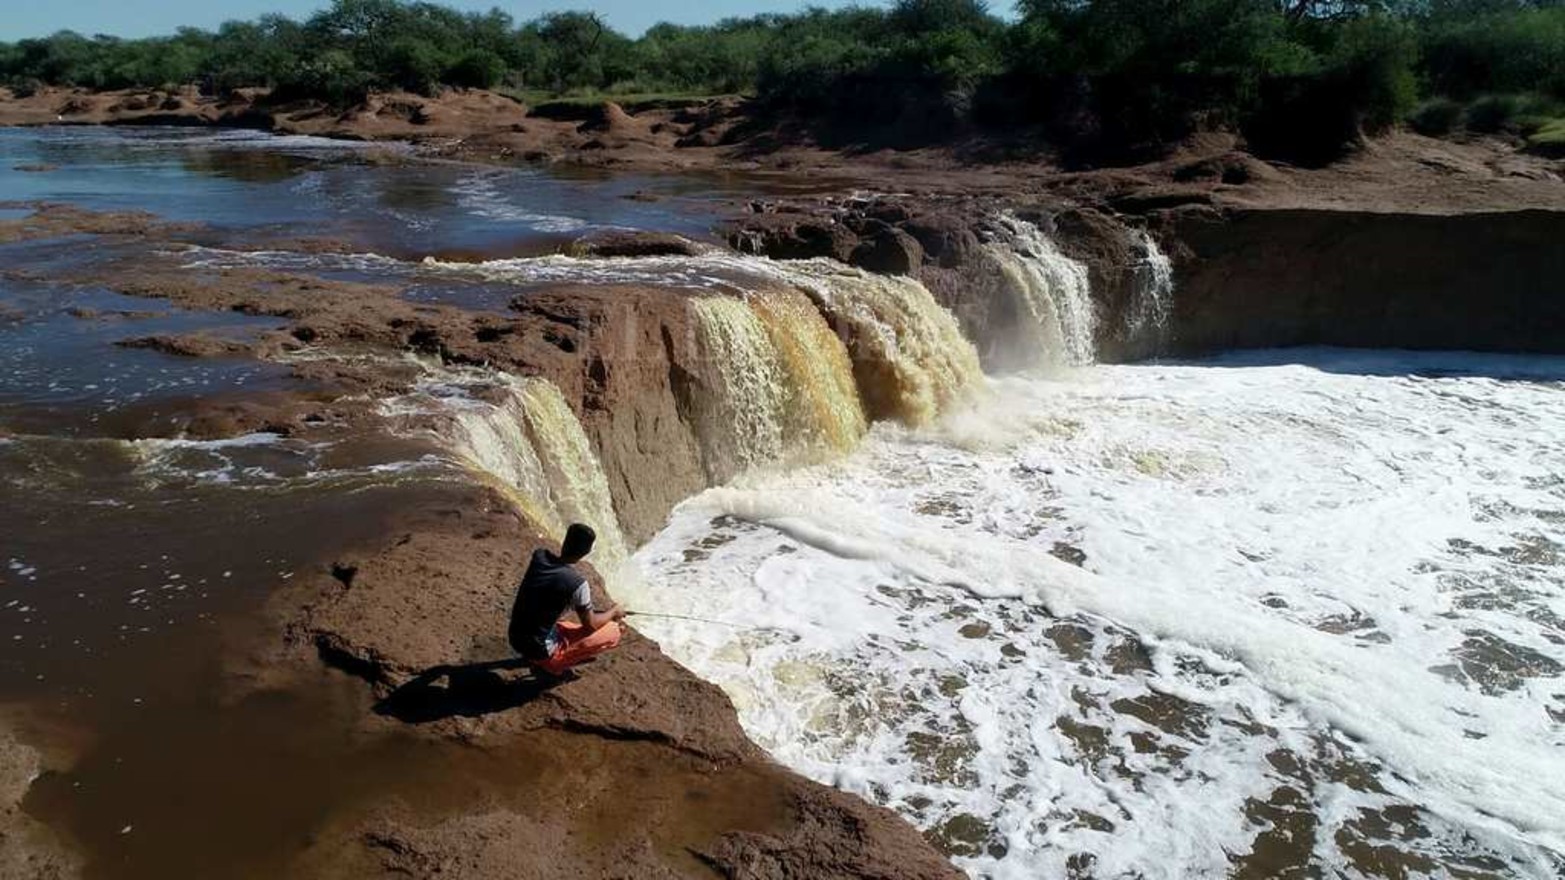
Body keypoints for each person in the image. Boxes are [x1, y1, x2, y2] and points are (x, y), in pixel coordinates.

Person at [508, 523, 624, 677]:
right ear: (587, 551)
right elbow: (590, 626)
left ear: (565, 541)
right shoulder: (578, 584)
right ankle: (552, 665)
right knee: (614, 631)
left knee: (565, 624)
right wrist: (614, 611)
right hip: (539, 650)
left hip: (515, 638)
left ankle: (544, 654)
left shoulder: (539, 556)